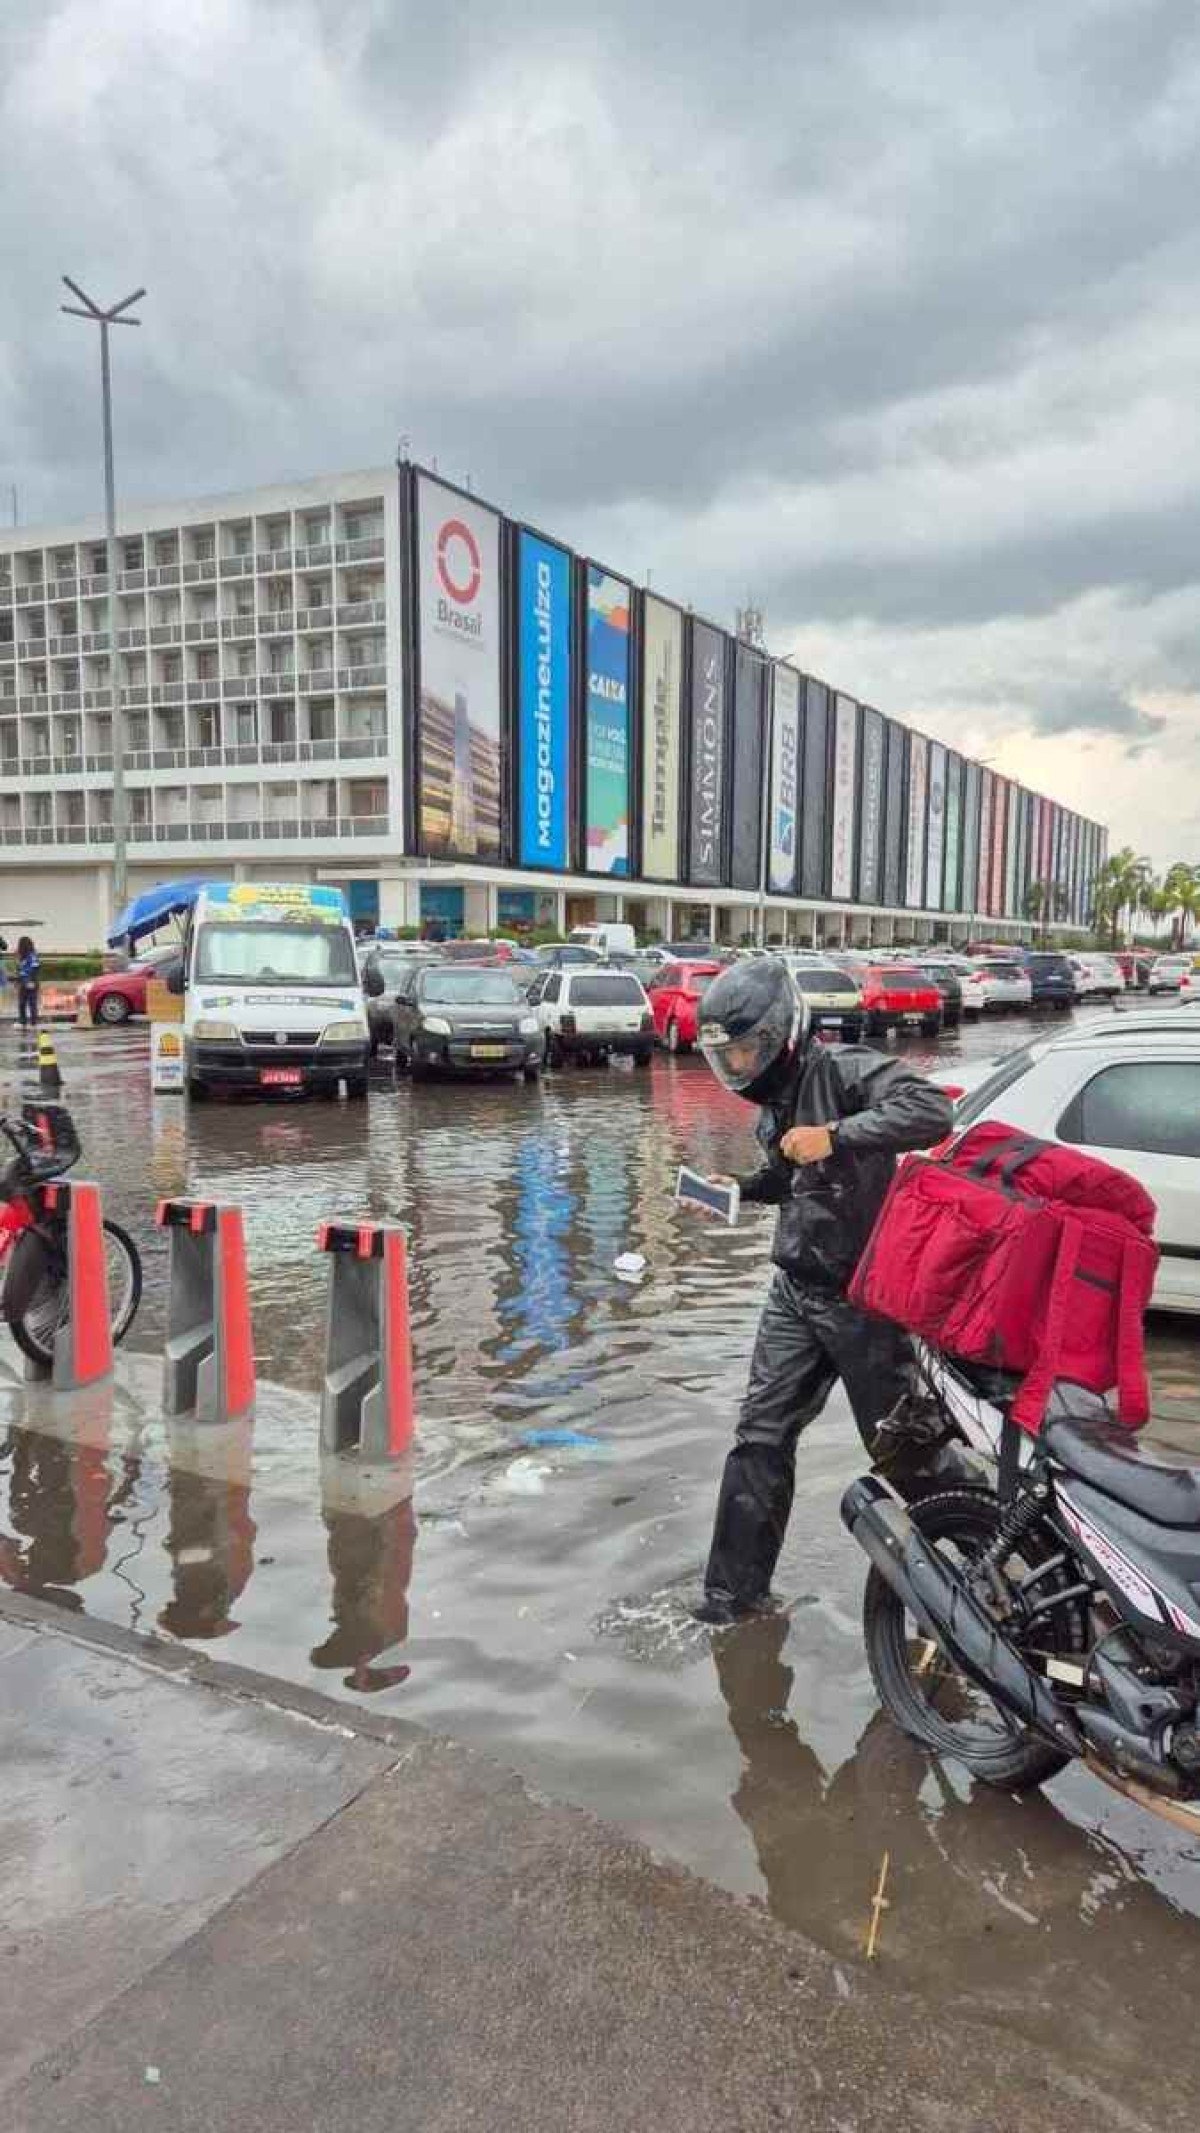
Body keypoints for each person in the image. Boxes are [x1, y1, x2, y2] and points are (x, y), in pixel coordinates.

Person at [694, 956, 956, 1625]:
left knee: (905, 1451)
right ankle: (732, 1601)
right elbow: (790, 1180)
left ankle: (978, 1575)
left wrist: (835, 1134)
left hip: (866, 1300)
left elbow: (929, 1110)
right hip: (795, 1291)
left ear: (783, 1032)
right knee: (758, 1437)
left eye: (749, 1049)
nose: (742, 1065)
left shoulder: (842, 1070)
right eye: (731, 1055)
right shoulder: (772, 1104)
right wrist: (742, 1189)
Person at [15, 935, 40, 1031]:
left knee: (32, 1003)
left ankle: (33, 1022)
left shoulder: (32, 955)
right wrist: (18, 980)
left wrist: (32, 981)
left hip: (31, 982)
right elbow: (20, 970)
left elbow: (35, 968)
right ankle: (23, 1021)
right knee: (21, 1003)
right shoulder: (22, 957)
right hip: (23, 983)